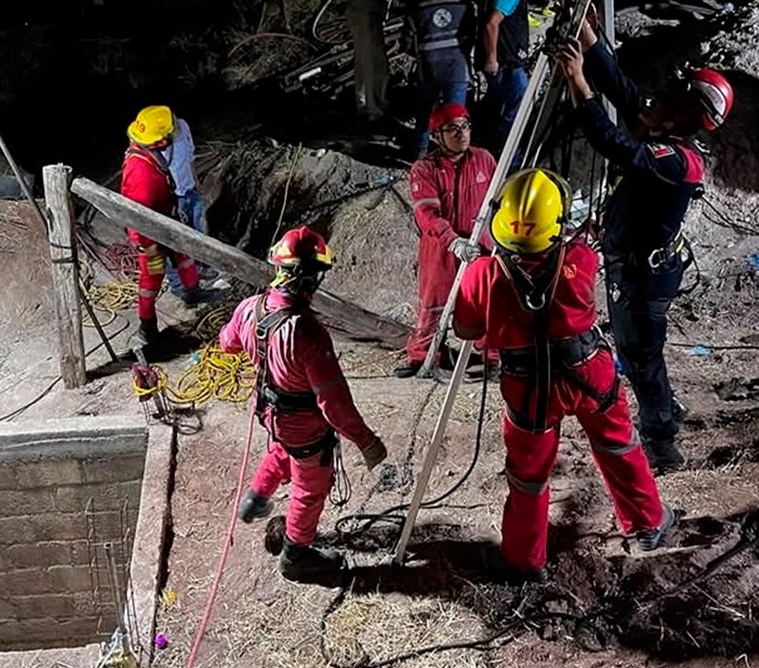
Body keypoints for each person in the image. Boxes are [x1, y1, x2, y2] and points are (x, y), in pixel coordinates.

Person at [453, 168, 676, 582]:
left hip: (529, 387)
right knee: (618, 447)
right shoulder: (580, 258)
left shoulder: (481, 274)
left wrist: (478, 277)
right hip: (587, 371)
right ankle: (646, 526)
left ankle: (524, 559)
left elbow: (467, 331)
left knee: (528, 474)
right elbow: (574, 249)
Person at [553, 16, 734, 472]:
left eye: (679, 89)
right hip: (633, 263)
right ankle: (666, 406)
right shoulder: (663, 126)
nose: (664, 91)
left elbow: (610, 140)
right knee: (644, 351)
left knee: (638, 355)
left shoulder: (679, 160)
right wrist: (588, 36)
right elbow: (621, 88)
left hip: (642, 274)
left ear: (688, 113)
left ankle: (662, 438)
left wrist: (576, 79)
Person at [219, 227, 388, 583]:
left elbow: (227, 344)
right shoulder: (308, 333)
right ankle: (296, 557)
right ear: (309, 279)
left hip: (273, 416)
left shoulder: (250, 309)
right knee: (310, 489)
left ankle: (256, 498)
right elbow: (335, 405)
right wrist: (368, 443)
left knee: (284, 452)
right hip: (305, 428)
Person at [395, 103, 497, 379]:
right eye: (452, 129)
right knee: (434, 302)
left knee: (483, 301)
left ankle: (492, 356)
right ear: (436, 136)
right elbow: (426, 214)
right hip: (440, 247)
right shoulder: (425, 169)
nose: (461, 134)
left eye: (465, 126)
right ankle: (423, 355)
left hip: (479, 245)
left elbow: (498, 201)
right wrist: (453, 242)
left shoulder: (484, 160)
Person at [121, 105, 205, 348]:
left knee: (184, 256)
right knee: (152, 280)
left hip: (164, 222)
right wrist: (148, 247)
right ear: (159, 140)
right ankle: (147, 326)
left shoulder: (147, 156)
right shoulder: (141, 175)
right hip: (151, 238)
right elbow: (138, 215)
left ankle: (192, 292)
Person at [404, 0, 477, 155]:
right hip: (457, 66)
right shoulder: (463, 2)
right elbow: (472, 35)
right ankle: (454, 155)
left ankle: (420, 151)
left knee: (425, 110)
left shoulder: (418, 5)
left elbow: (407, 43)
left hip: (429, 67)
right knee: (456, 116)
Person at [163, 113, 217, 296]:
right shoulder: (157, 138)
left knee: (199, 233)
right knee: (175, 241)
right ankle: (178, 285)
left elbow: (190, 156)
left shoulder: (183, 125)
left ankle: (200, 268)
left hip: (190, 190)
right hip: (173, 197)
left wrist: (196, 183)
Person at [478, 0, 530, 156]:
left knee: (495, 103)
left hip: (504, 60)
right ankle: (509, 156)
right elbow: (491, 24)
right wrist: (492, 59)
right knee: (515, 112)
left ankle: (486, 146)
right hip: (507, 62)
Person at [346, 0, 391, 122]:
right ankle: (374, 107)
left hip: (365, 9)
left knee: (364, 58)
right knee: (373, 61)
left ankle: (365, 103)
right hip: (366, 9)